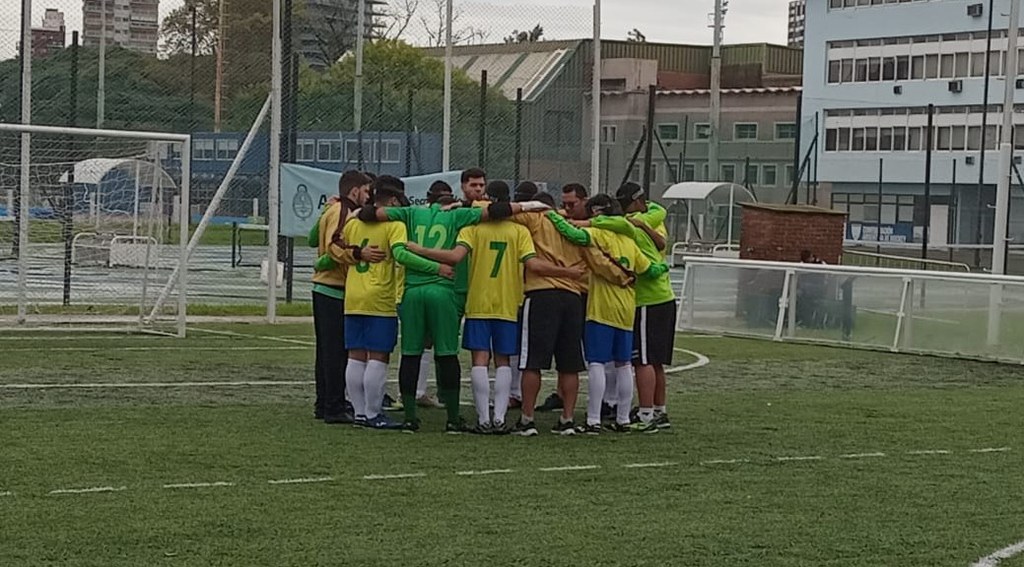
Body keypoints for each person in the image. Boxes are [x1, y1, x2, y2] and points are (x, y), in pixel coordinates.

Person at [356, 185, 550, 432]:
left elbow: (373, 214)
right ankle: (455, 417)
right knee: (448, 355)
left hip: (413, 291)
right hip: (445, 290)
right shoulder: (462, 217)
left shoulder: (412, 212)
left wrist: (358, 212)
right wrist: (528, 206)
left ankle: (409, 417)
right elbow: (496, 211)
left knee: (411, 354)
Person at [408, 181, 576, 434]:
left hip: (479, 302)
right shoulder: (519, 232)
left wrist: (421, 250)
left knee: (479, 361)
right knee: (504, 362)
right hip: (508, 302)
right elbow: (532, 264)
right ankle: (499, 419)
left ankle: (483, 419)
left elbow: (454, 257)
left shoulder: (473, 228)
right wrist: (568, 273)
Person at [511, 190, 633, 436]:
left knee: (532, 362)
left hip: (542, 294)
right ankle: (567, 419)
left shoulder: (537, 218)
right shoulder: (579, 230)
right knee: (569, 364)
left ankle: (527, 419)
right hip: (574, 299)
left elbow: (507, 214)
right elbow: (598, 261)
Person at [548, 194, 668, 434]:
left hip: (601, 309)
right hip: (626, 309)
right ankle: (623, 418)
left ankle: (593, 419)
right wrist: (664, 266)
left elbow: (571, 233)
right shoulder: (629, 241)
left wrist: (549, 214)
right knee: (624, 364)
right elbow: (651, 270)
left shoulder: (596, 234)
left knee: (596, 363)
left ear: (595, 212)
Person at [340, 176, 448, 430]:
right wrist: (436, 267)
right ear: (390, 201)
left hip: (353, 295)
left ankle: (358, 412)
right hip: (379, 297)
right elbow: (400, 254)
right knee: (378, 356)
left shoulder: (353, 223)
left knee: (355, 356)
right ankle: (373, 413)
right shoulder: (394, 224)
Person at [310, 170, 382, 424]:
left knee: (327, 351)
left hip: (324, 288)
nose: (369, 195)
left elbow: (314, 239)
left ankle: (325, 402)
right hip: (333, 288)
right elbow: (335, 244)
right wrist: (358, 253)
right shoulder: (342, 211)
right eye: (366, 190)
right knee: (335, 352)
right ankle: (334, 405)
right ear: (355, 191)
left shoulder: (332, 209)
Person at [615, 182, 676, 432]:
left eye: (626, 205)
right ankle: (659, 410)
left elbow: (609, 225)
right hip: (665, 296)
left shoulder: (634, 226)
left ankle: (646, 413)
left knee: (643, 361)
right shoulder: (655, 218)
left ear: (636, 202)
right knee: (656, 360)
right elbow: (662, 243)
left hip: (647, 299)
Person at [534, 182, 591, 414]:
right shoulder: (558, 218)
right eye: (564, 204)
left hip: (585, 293)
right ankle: (562, 399)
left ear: (585, 200)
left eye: (572, 204)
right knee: (567, 357)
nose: (567, 209)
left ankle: (608, 404)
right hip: (571, 292)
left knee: (588, 357)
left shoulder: (594, 226)